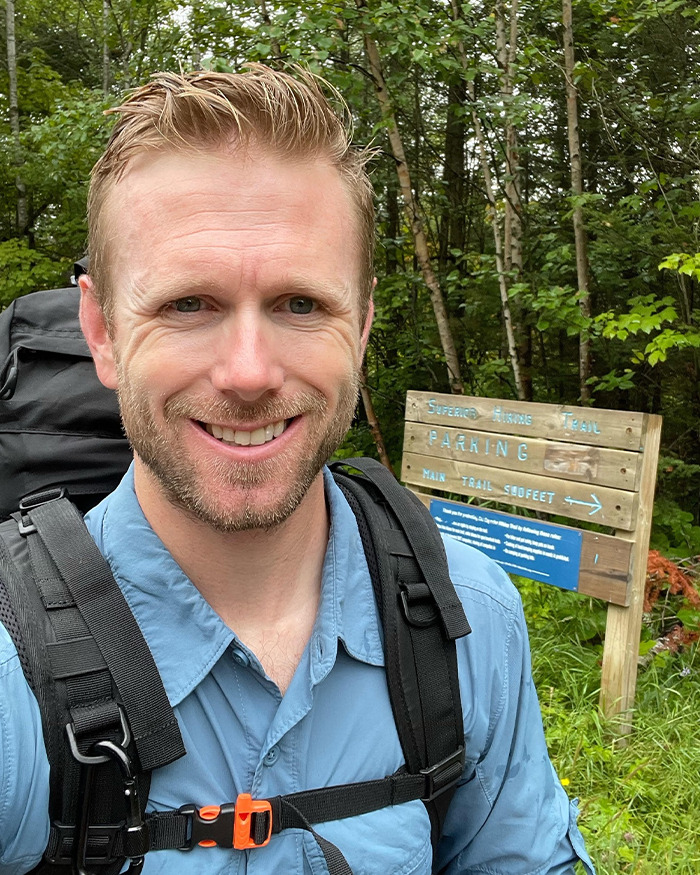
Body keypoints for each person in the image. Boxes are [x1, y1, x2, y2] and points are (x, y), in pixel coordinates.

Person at [0, 66, 595, 875]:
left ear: (363, 325)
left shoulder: (472, 622)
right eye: (188, 304)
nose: (248, 372)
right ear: (101, 330)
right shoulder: (12, 671)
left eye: (301, 304)